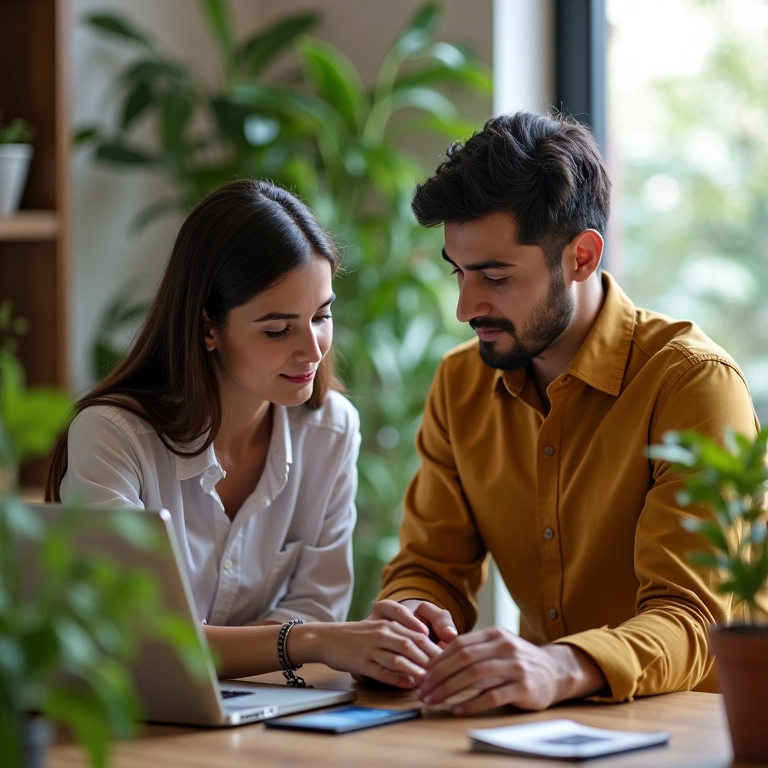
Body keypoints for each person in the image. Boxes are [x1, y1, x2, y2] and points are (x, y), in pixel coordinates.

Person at [371, 111, 758, 713]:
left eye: (494, 276)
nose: (465, 307)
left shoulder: (692, 384)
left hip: (701, 731)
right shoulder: (460, 383)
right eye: (459, 272)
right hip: (546, 732)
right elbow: (431, 567)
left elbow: (693, 620)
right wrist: (417, 615)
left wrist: (562, 663)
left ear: (581, 256)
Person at [45, 178, 438, 686]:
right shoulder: (113, 437)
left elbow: (315, 603)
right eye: (278, 329)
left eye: (322, 316)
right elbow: (134, 639)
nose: (312, 351)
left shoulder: (332, 429)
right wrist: (308, 639)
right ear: (208, 327)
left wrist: (303, 639)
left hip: (263, 716)